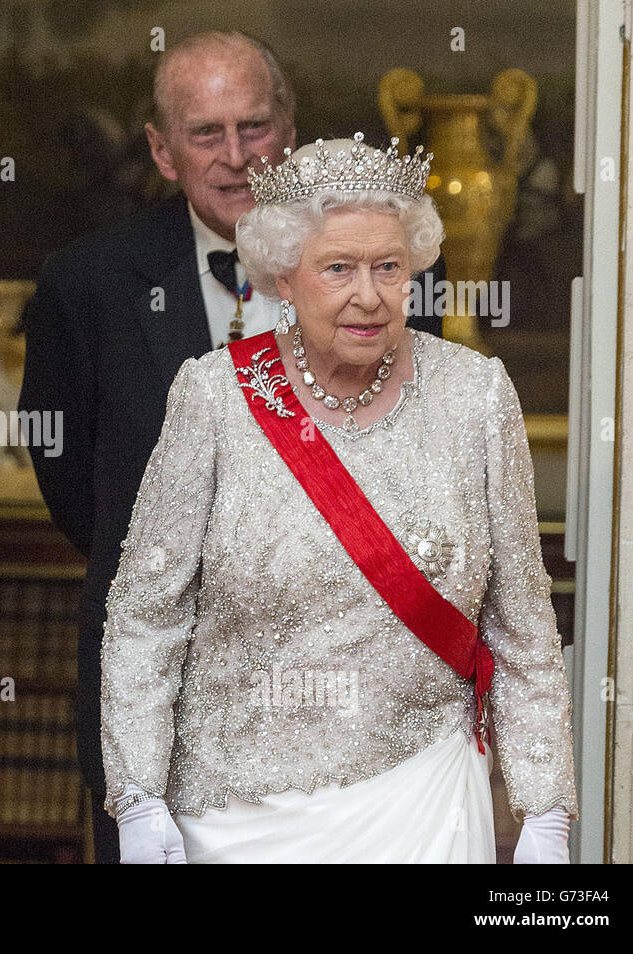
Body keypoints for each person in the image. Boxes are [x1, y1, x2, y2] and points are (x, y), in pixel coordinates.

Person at [17, 30, 444, 863]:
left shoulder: (388, 269)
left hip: (350, 689)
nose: (236, 155)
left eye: (253, 126)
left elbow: (409, 448)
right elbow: (69, 478)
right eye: (206, 133)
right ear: (162, 151)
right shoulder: (88, 282)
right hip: (159, 697)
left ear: (289, 126)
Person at [100, 134, 578, 863]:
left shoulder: (477, 397)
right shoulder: (215, 397)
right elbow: (146, 615)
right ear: (283, 277)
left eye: (389, 266)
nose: (369, 294)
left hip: (423, 803)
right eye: (338, 268)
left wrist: (545, 809)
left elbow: (522, 625)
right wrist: (137, 794)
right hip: (234, 815)